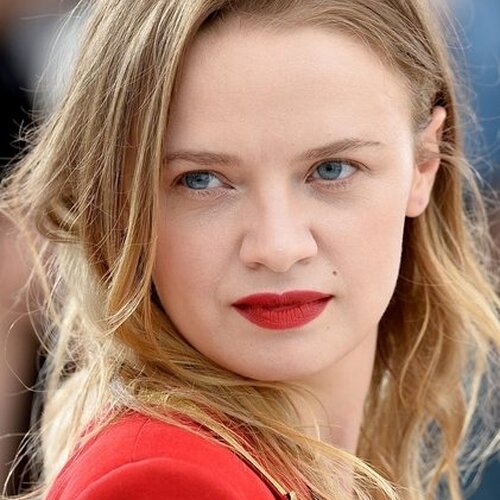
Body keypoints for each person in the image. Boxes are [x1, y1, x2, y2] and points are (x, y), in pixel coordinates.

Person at [1, 0, 499, 499]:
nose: (277, 247)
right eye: (201, 180)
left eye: (332, 169)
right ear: (119, 203)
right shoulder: (165, 483)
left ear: (425, 163)